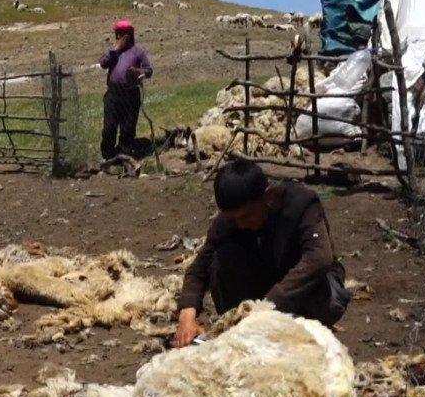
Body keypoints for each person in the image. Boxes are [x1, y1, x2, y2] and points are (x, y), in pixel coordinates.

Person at [173, 158, 351, 347]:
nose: (240, 223)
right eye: (234, 218)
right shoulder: (229, 220)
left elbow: (319, 259)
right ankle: (244, 327)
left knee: (323, 302)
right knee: (221, 258)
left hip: (306, 290)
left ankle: (280, 325)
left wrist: (268, 304)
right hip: (266, 288)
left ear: (268, 196)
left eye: (246, 216)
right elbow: (199, 268)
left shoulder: (300, 203)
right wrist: (187, 314)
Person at [98, 20, 153, 160]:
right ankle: (108, 157)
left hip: (130, 95)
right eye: (117, 34)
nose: (117, 37)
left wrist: (138, 71)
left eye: (120, 34)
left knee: (127, 129)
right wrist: (116, 49)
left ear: (128, 35)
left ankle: (124, 157)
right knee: (109, 128)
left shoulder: (138, 52)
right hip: (113, 96)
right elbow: (103, 63)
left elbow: (149, 70)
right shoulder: (113, 52)